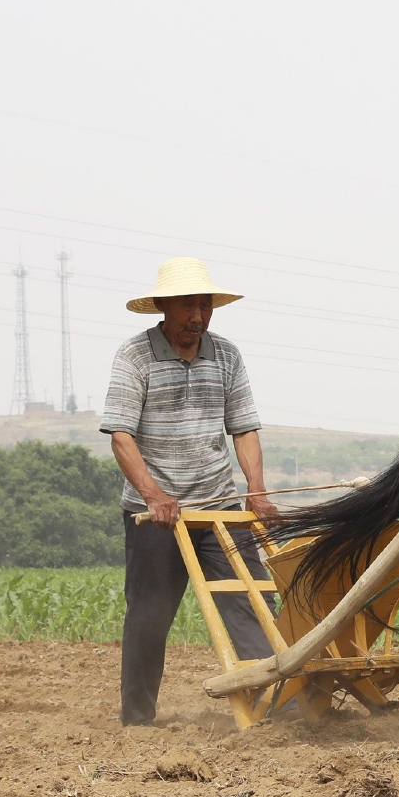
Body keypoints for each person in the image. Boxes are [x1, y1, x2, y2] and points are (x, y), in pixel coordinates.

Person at [101, 256, 280, 726]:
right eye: (186, 306)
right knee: (150, 615)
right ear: (163, 307)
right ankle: (138, 719)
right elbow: (122, 436)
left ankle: (280, 705)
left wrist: (256, 492)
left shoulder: (226, 355)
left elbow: (243, 429)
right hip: (155, 514)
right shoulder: (134, 357)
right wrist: (154, 495)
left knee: (253, 601)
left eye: (204, 305)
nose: (196, 316)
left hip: (217, 505)